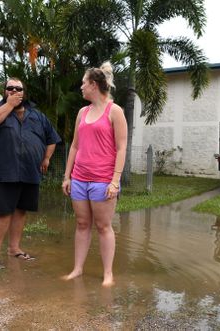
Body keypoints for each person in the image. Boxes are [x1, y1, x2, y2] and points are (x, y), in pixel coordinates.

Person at [0, 77, 61, 272]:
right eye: (10, 88)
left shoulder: (37, 116)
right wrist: (9, 105)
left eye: (19, 88)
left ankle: (14, 249)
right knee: (0, 212)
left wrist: (46, 158)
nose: (15, 91)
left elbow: (52, 138)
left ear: (24, 92)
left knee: (20, 210)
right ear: (4, 91)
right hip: (3, 171)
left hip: (30, 171)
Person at [62, 62, 127, 287]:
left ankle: (108, 274)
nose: (81, 87)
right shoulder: (83, 112)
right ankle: (77, 269)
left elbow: (121, 148)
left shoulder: (114, 111)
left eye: (83, 83)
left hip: (103, 180)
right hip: (79, 178)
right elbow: (74, 146)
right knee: (81, 224)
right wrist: (67, 176)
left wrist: (115, 181)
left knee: (103, 226)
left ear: (93, 84)